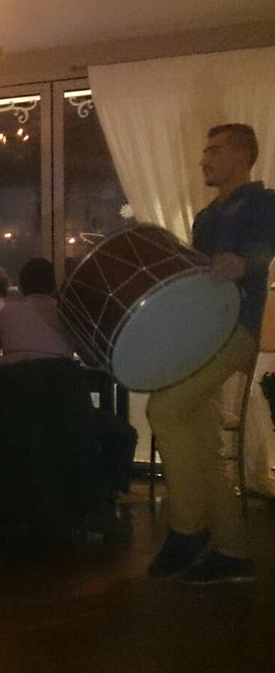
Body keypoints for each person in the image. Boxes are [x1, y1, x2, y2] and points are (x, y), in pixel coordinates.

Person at [146, 123, 275, 584]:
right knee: (201, 440)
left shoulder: (263, 203)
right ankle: (232, 551)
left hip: (237, 332)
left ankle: (187, 528)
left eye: (214, 150)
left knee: (163, 408)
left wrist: (242, 264)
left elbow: (261, 255)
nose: (204, 159)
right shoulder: (205, 217)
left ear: (242, 154)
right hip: (204, 335)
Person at [0, 257, 76, 367]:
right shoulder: (66, 312)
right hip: (60, 374)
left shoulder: (5, 312)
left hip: (13, 375)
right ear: (55, 286)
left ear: (21, 288)